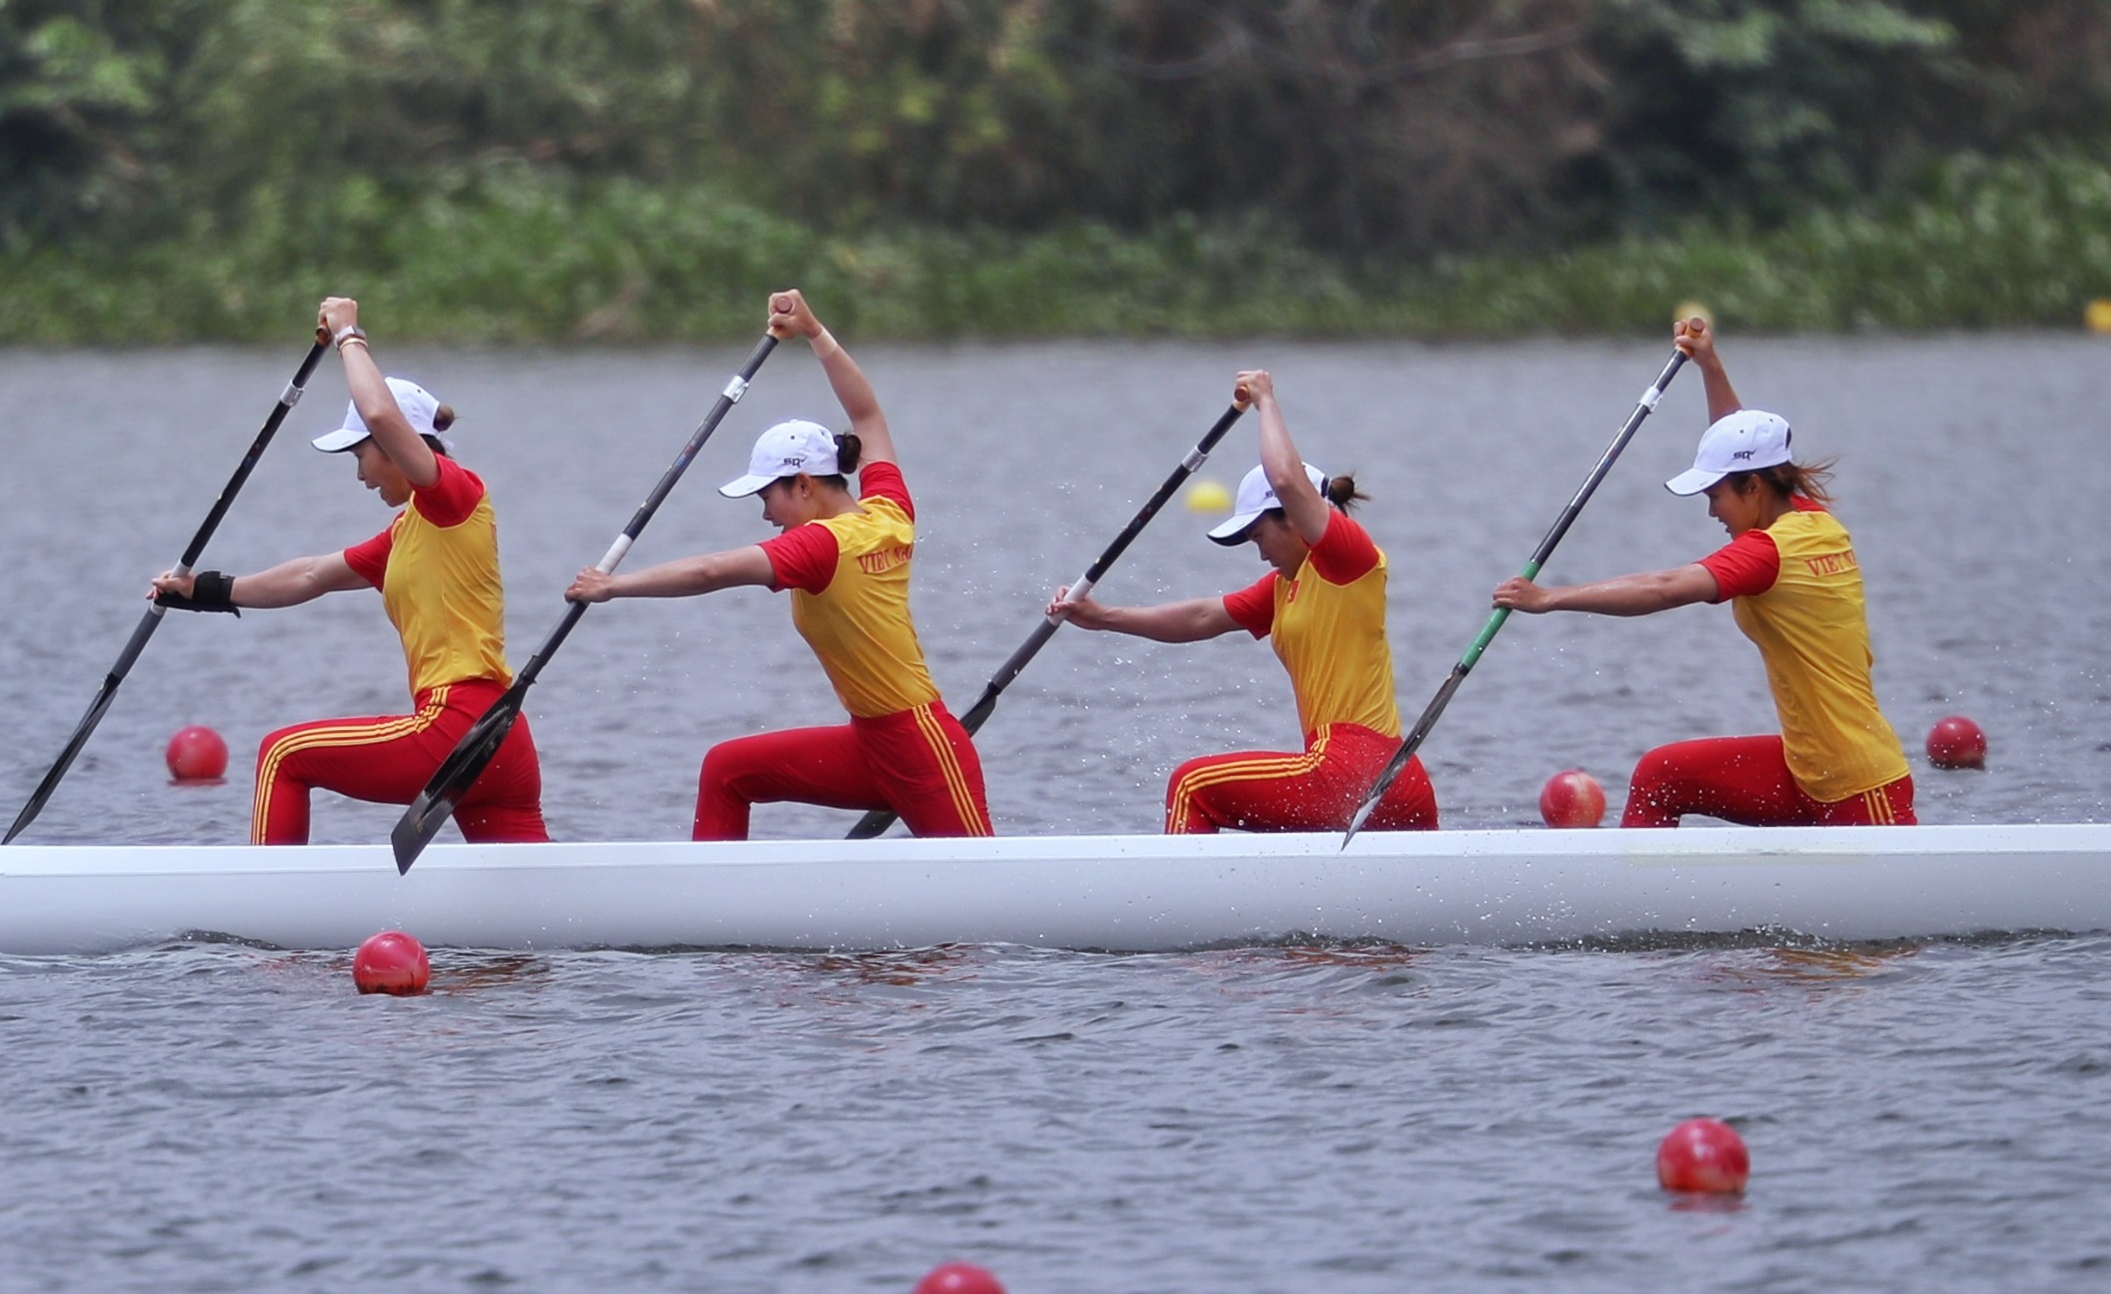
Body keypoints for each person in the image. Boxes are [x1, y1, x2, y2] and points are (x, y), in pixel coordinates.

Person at [563, 289, 991, 840]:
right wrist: (815, 332)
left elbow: (711, 571)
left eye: (767, 497)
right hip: (870, 743)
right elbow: (866, 414)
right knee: (728, 770)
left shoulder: (820, 547)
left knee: (973, 911)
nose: (764, 514)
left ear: (805, 485)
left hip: (924, 748)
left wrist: (612, 586)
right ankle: (713, 912)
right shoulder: (888, 509)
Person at [151, 297, 549, 845]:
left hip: (454, 726)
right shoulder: (408, 533)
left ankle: (264, 906)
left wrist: (348, 334)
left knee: (282, 755)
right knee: (534, 914)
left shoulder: (455, 495)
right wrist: (205, 590)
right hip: (502, 737)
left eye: (359, 455)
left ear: (391, 446)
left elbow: (382, 414)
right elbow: (312, 575)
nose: (359, 475)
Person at [1493, 317, 1913, 827]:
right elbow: (1741, 441)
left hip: (1858, 786)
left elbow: (1664, 589)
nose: (1712, 511)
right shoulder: (1807, 517)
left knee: (1661, 773)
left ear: (1754, 488)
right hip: (1807, 772)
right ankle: (1637, 903)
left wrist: (1549, 598)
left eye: (1715, 496)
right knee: (1661, 774)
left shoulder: (1767, 553)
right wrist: (1708, 364)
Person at [1048, 369, 1438, 834]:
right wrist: (1102, 616)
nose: (1258, 549)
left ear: (1292, 519)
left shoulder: (1347, 559)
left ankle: (1180, 907)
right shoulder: (1283, 587)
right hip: (1398, 781)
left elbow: (1288, 481)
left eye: (1258, 533)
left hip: (1351, 772)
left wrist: (1265, 401)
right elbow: (1201, 617)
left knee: (1191, 785)